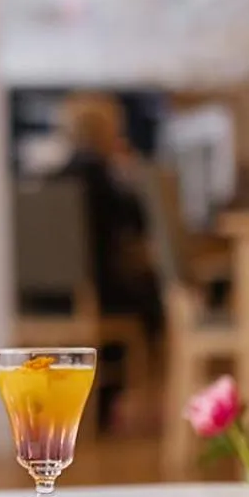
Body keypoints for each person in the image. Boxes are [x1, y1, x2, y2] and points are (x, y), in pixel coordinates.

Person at [54, 95, 164, 428]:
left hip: (49, 298)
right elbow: (138, 226)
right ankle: (113, 401)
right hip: (99, 292)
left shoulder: (52, 178)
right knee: (151, 301)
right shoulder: (104, 178)